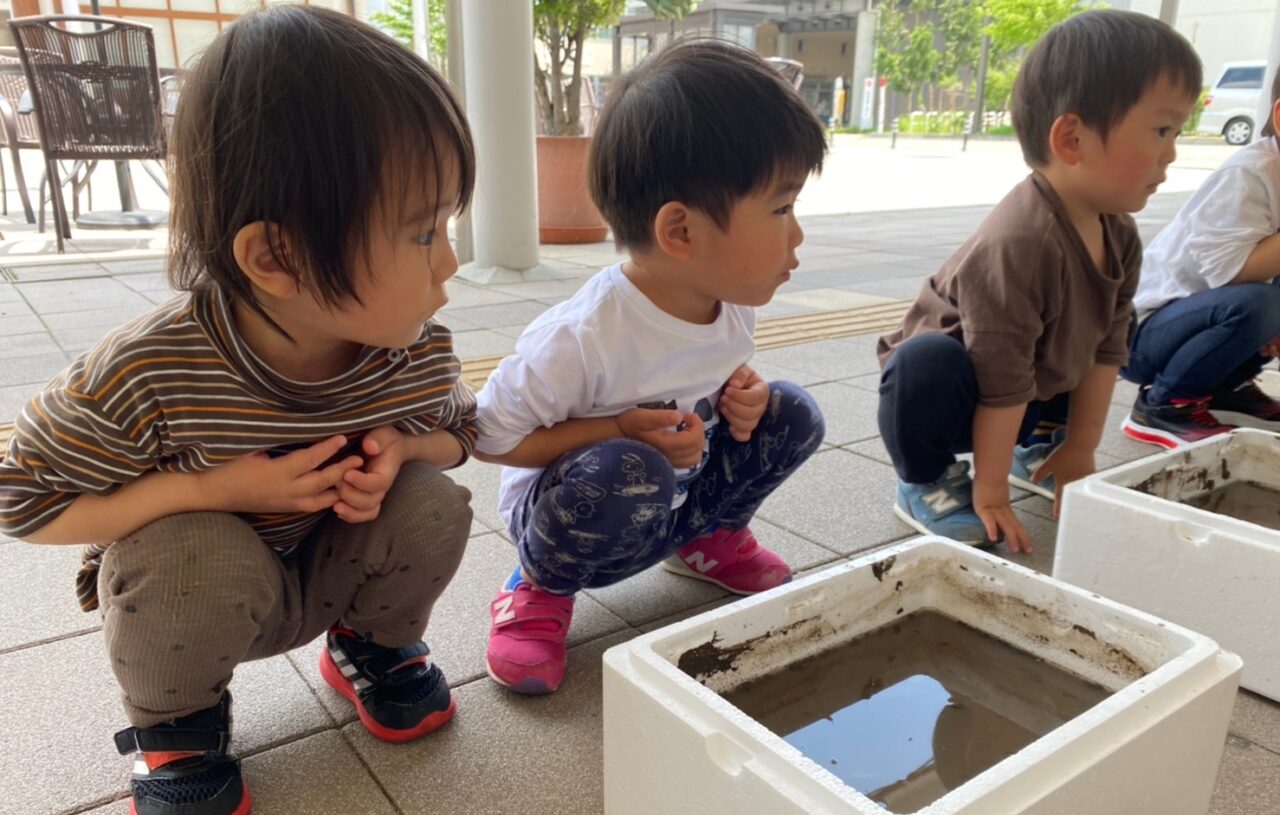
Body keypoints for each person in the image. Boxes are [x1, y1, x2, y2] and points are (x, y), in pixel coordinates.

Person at [0, 6, 477, 815]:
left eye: (447, 224)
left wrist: (405, 446)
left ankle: (372, 647)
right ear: (276, 258)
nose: (450, 260)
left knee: (431, 499)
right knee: (187, 544)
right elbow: (18, 498)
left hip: (332, 567)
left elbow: (463, 434)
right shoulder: (147, 373)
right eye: (420, 232)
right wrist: (210, 488)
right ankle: (177, 726)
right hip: (195, 596)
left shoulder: (410, 351)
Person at [473, 40, 828, 695]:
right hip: (574, 521)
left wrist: (742, 394)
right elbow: (488, 437)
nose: (798, 233)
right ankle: (538, 588)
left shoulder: (729, 306)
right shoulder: (582, 337)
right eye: (781, 209)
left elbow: (708, 376)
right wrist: (614, 431)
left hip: (676, 501)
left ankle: (711, 537)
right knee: (627, 467)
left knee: (793, 412)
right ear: (681, 232)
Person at [875, 10, 1201, 550]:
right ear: (1071, 138)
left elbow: (1107, 349)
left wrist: (1080, 449)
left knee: (1096, 326)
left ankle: (1041, 446)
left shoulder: (1118, 232)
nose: (1171, 154)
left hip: (1024, 390)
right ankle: (925, 479)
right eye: (1162, 130)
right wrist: (991, 492)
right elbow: (999, 377)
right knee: (923, 363)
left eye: (1178, 132)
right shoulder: (1019, 243)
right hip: (955, 396)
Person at [1120, 69, 1280, 448]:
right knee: (1260, 303)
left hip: (1203, 318)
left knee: (1266, 304)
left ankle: (1226, 388)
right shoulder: (1251, 173)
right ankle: (1163, 405)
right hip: (1140, 336)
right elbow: (1229, 273)